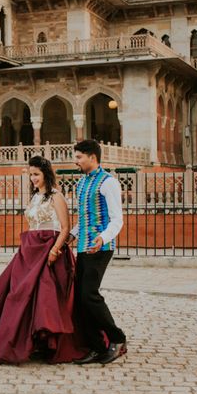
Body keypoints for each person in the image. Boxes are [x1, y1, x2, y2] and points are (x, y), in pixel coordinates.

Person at [0, 156, 89, 364]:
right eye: (31, 174)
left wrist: (54, 251)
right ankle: (19, 341)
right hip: (29, 250)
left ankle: (47, 343)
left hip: (49, 249)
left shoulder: (56, 196)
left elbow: (66, 227)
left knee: (44, 299)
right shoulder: (35, 197)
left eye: (36, 174)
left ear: (46, 174)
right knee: (17, 294)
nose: (33, 178)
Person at [70, 139, 128, 365]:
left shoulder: (108, 182)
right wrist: (71, 235)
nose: (76, 161)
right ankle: (97, 347)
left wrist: (103, 237)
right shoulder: (82, 184)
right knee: (80, 298)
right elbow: (84, 217)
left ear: (92, 157)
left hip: (100, 247)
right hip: (84, 245)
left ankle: (118, 338)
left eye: (78, 157)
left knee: (89, 295)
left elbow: (117, 220)